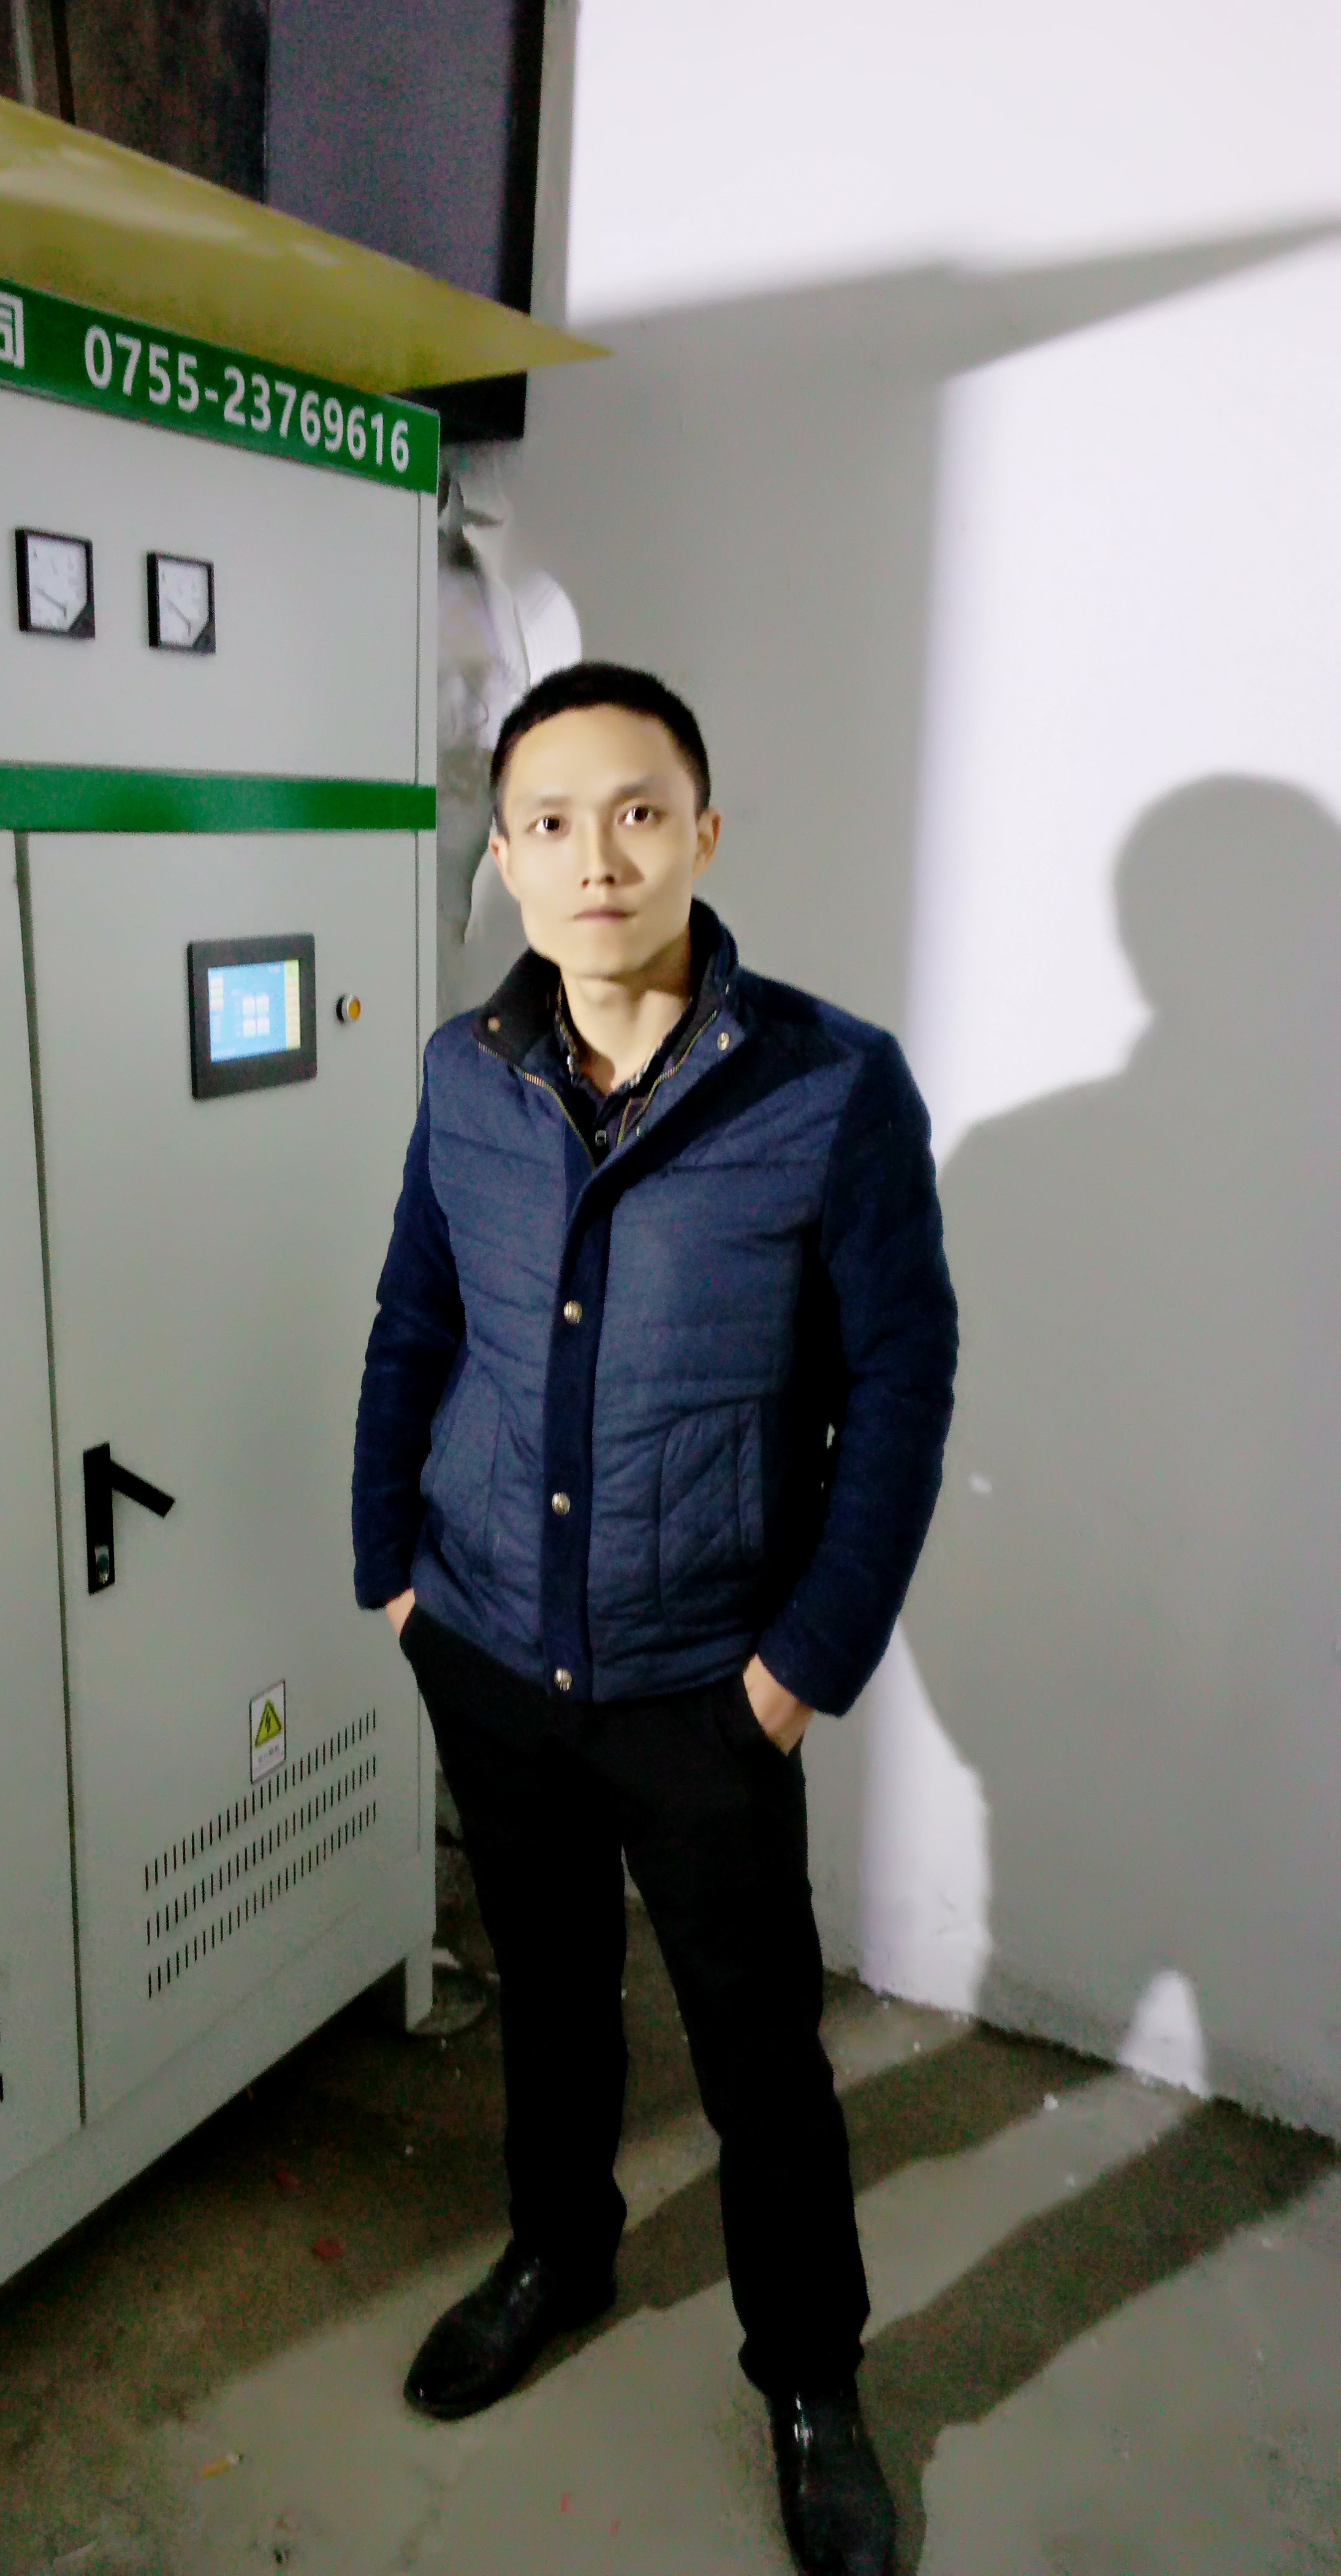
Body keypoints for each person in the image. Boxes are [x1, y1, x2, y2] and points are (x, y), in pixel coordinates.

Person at [351, 663, 957, 2576]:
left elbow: (903, 1386)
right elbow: (415, 1319)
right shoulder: (463, 1074)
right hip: (485, 1645)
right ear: (505, 857)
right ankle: (559, 2252)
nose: (595, 857)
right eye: (549, 821)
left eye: (636, 811)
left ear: (703, 830)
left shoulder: (831, 1085)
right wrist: (389, 1569)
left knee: (758, 2053)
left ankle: (811, 2379)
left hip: (708, 1681)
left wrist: (801, 1668)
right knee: (546, 1993)